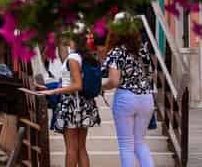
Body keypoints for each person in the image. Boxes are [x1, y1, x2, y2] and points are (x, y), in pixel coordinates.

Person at [39, 25, 100, 167]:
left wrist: (53, 92)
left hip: (72, 104)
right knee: (81, 148)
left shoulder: (73, 57)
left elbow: (77, 85)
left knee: (71, 149)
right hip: (85, 104)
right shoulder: (87, 57)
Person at [102, 13, 155, 167]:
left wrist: (102, 87)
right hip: (146, 97)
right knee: (139, 142)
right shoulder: (142, 50)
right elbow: (151, 73)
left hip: (126, 97)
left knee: (126, 145)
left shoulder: (117, 52)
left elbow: (113, 80)